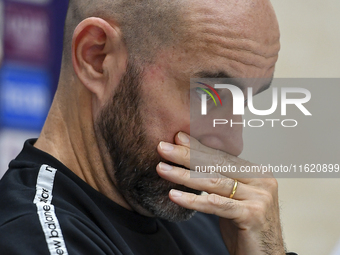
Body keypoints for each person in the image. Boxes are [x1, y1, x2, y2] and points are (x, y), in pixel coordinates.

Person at [0, 0, 297, 254]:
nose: (233, 142)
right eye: (208, 94)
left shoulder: (218, 224)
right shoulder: (31, 237)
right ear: (96, 57)